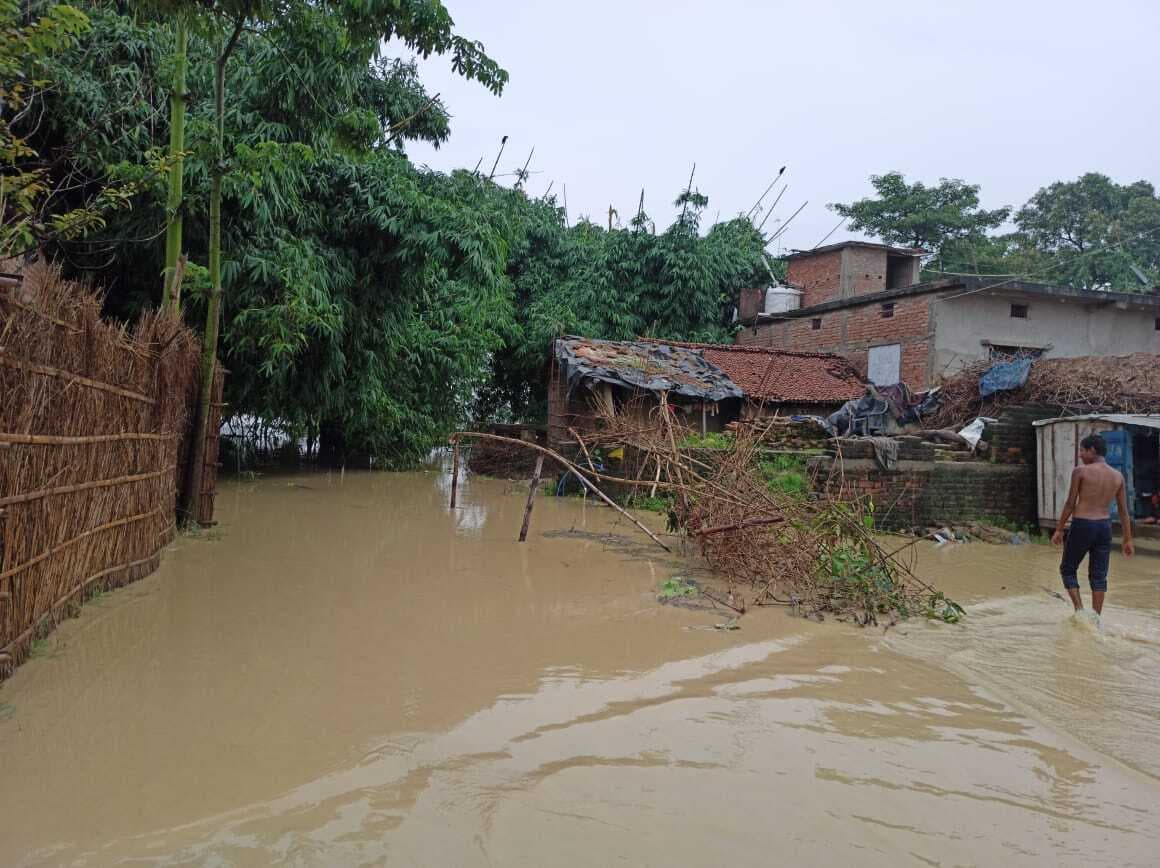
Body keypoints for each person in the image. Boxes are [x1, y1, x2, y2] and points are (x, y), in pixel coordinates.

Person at [1051, 433, 1135, 614]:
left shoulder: (1080, 471)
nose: (1080, 454)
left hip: (1083, 525)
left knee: (1068, 569)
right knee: (1099, 576)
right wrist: (1127, 539)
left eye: (1082, 450)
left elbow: (1070, 504)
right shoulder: (1118, 476)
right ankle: (1096, 617)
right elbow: (1123, 511)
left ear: (1092, 450)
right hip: (1104, 528)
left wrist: (1059, 529)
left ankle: (1080, 611)